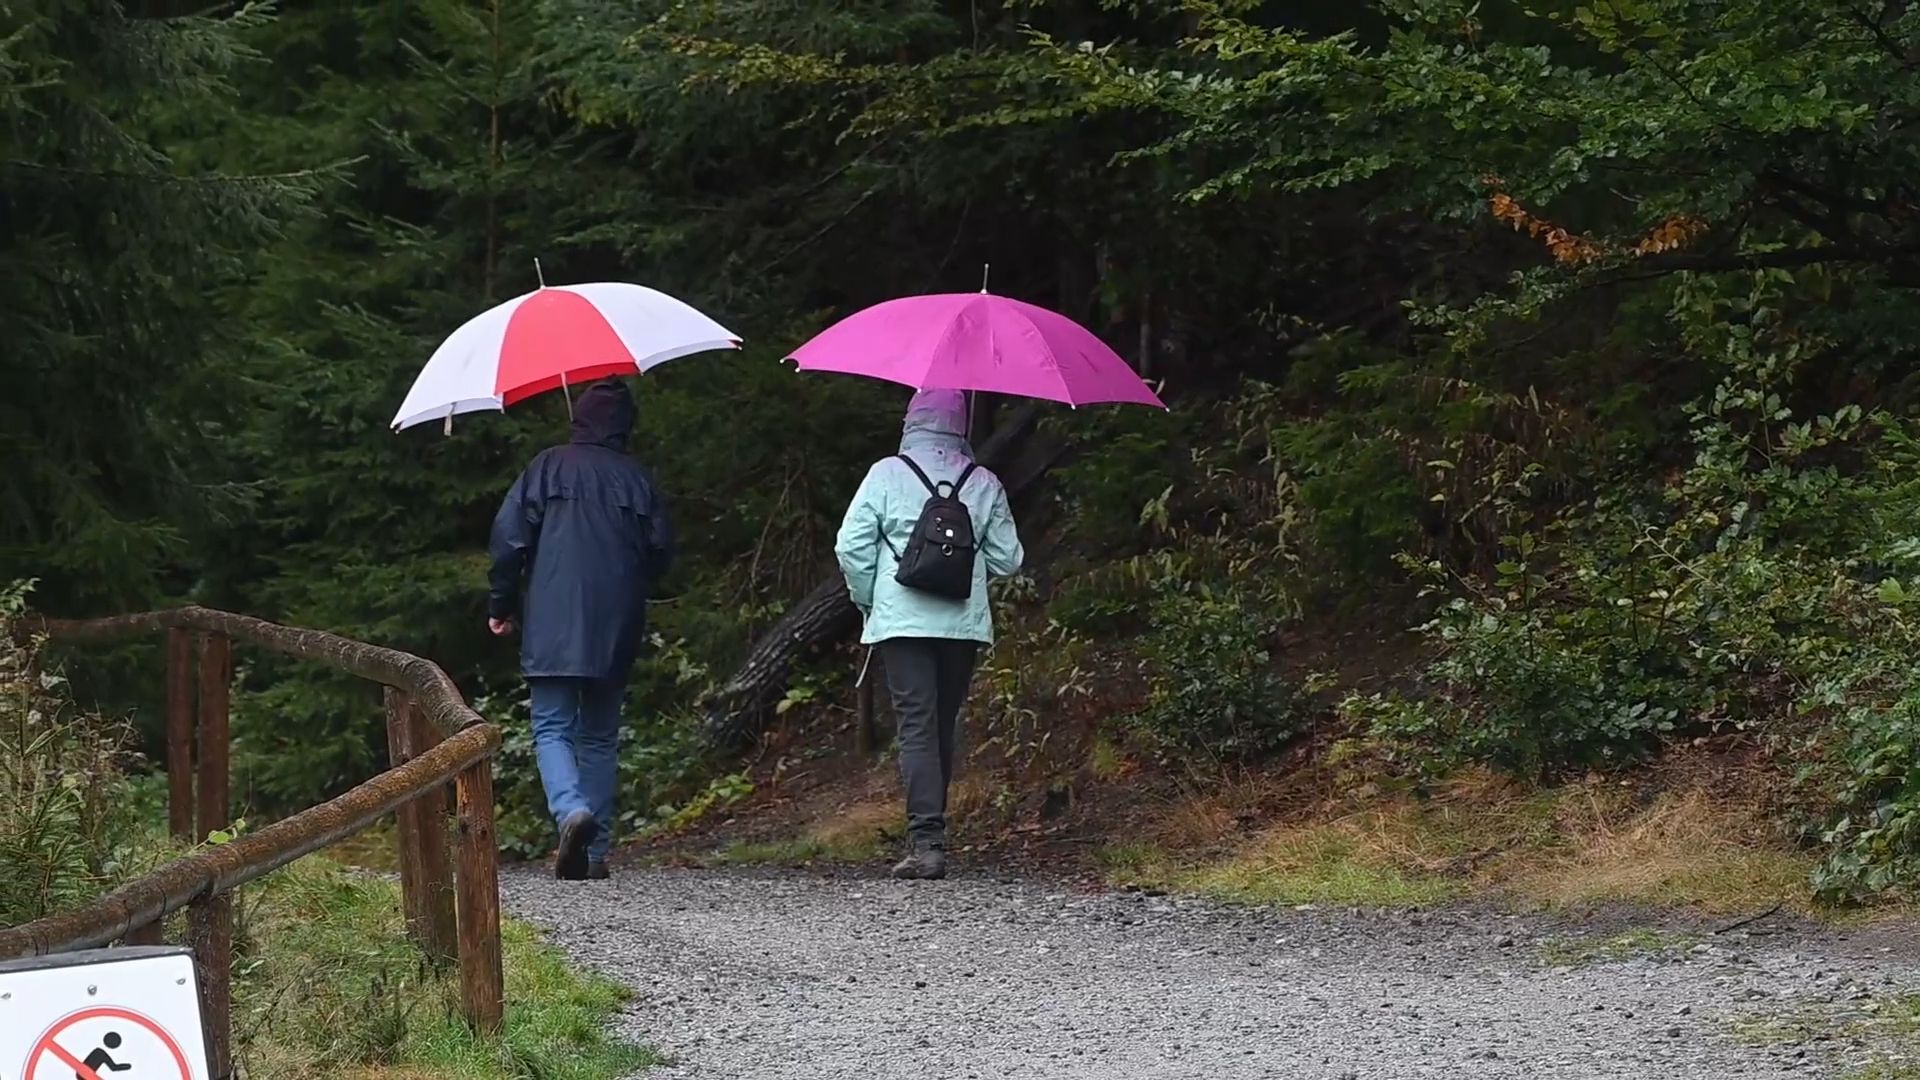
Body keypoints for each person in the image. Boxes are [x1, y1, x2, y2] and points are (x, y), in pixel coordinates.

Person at [487, 379, 674, 881]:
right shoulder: (638, 479)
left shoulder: (547, 466)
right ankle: (593, 855)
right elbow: (661, 553)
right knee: (599, 737)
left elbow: (509, 541)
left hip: (552, 620)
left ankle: (571, 810)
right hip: (616, 624)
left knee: (551, 726)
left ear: (579, 419)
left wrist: (501, 603)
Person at [834, 388, 1024, 880]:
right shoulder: (983, 481)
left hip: (901, 620)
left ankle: (926, 843)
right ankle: (932, 836)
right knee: (942, 722)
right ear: (960, 424)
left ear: (912, 419)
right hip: (962, 624)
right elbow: (1009, 559)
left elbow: (850, 545)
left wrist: (869, 599)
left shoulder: (887, 474)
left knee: (915, 724)